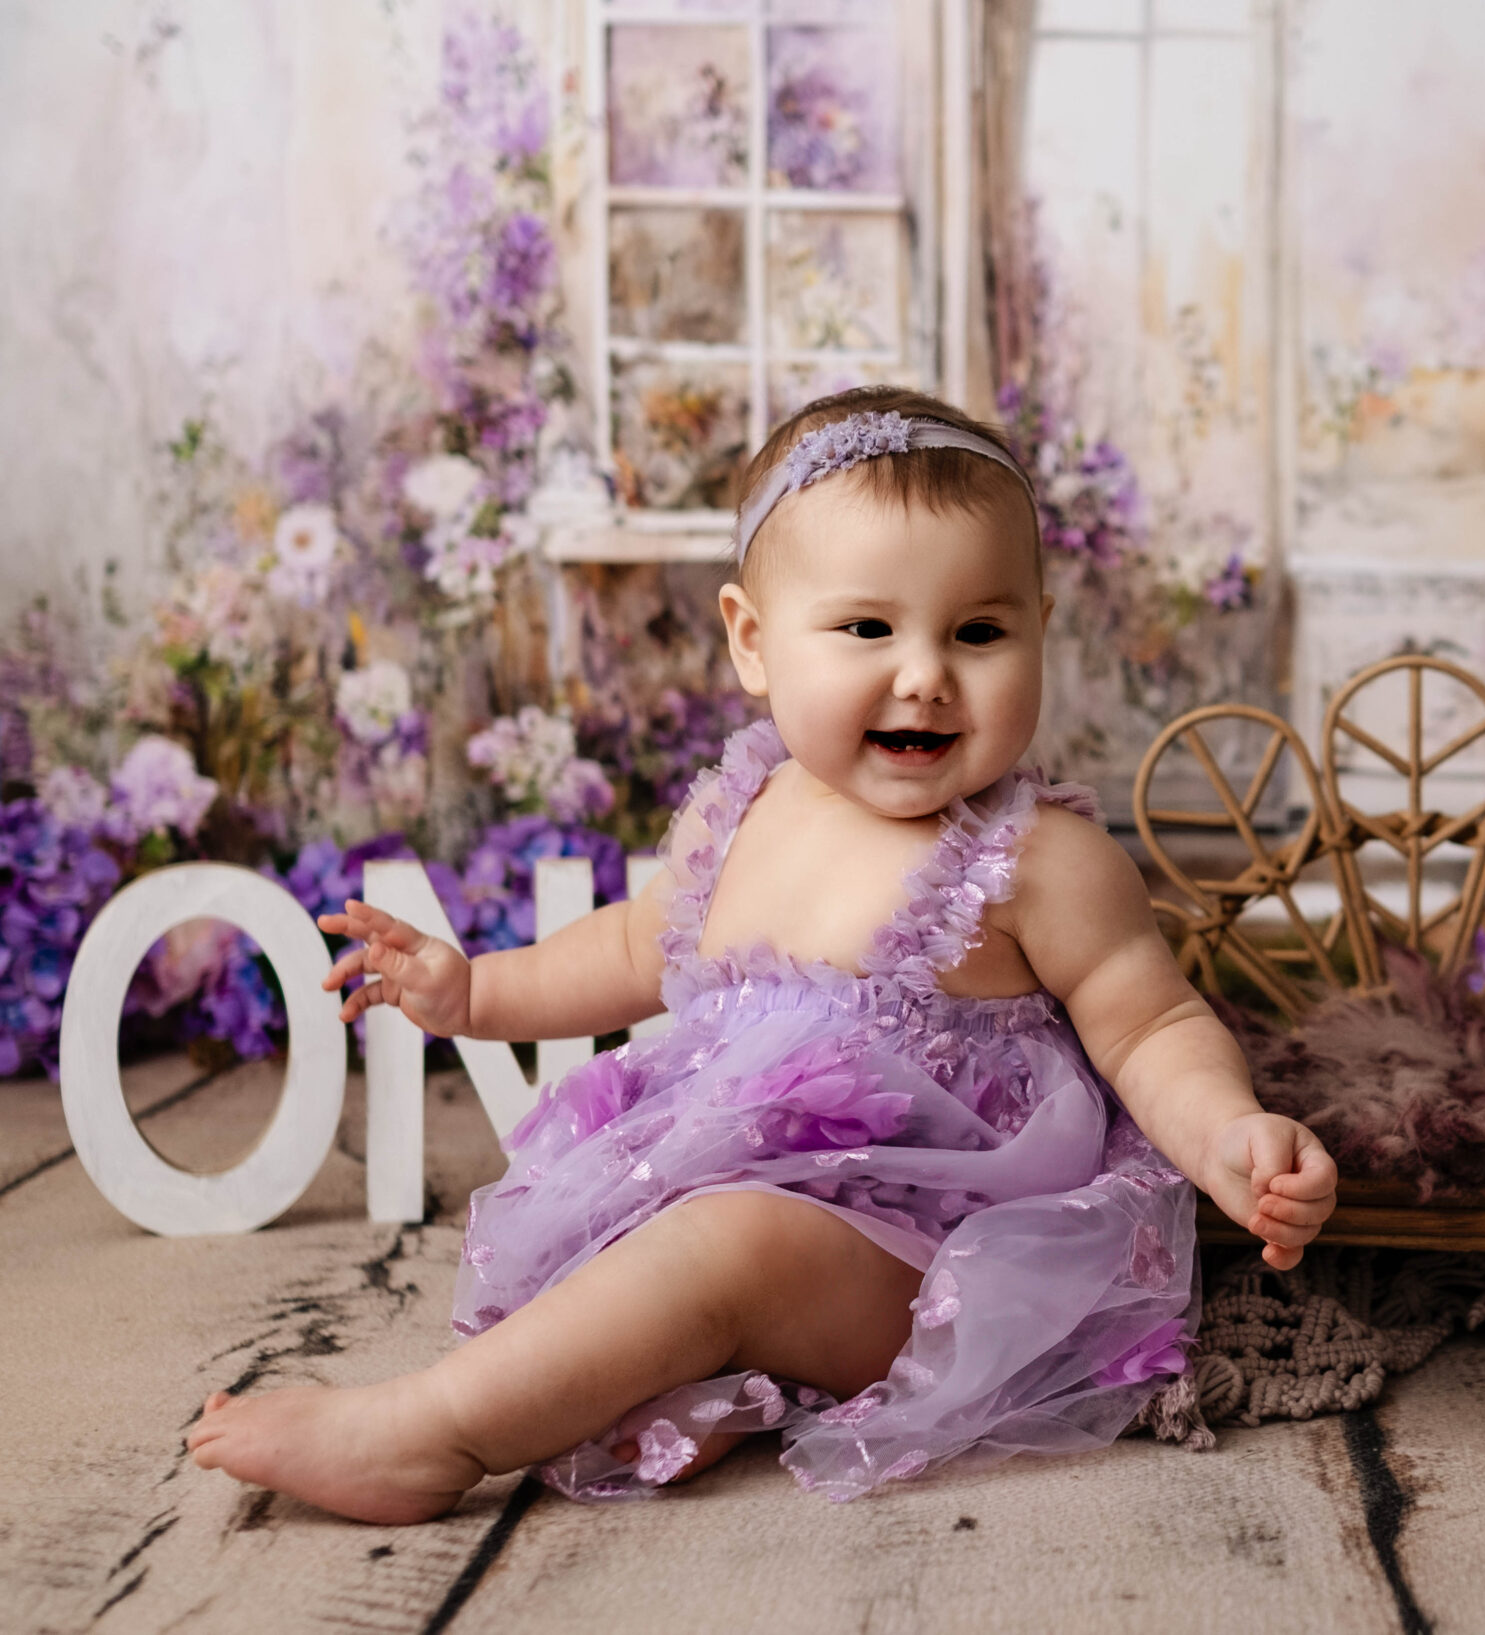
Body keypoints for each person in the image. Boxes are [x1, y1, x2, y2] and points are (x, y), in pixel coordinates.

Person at [185, 386, 1338, 1524]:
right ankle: (708, 1383)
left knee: (722, 1247)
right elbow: (637, 945)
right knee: (651, 1246)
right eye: (868, 628)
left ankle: (429, 1433)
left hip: (935, 1268)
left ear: (1039, 625)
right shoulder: (738, 810)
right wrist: (479, 988)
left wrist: (1229, 1133)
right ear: (752, 640)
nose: (927, 672)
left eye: (979, 630)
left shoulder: (1045, 859)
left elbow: (1150, 1025)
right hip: (739, 1201)